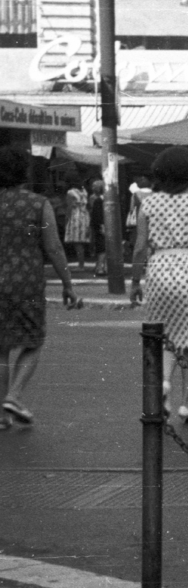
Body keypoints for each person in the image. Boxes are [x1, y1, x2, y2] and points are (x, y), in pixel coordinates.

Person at [130, 147, 188, 423]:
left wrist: (135, 281)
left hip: (159, 270)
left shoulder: (149, 204)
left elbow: (139, 248)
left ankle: (164, 383)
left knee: (164, 336)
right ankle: (186, 403)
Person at [0, 148, 79, 429]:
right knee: (33, 341)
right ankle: (14, 395)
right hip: (26, 282)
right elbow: (53, 247)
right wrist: (68, 284)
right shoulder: (39, 204)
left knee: (1, 348)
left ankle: (2, 413)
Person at [63, 179, 91, 269]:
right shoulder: (84, 192)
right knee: (81, 242)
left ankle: (81, 264)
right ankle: (81, 263)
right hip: (84, 216)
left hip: (75, 216)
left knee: (77, 242)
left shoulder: (70, 192)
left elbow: (69, 206)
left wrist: (66, 218)